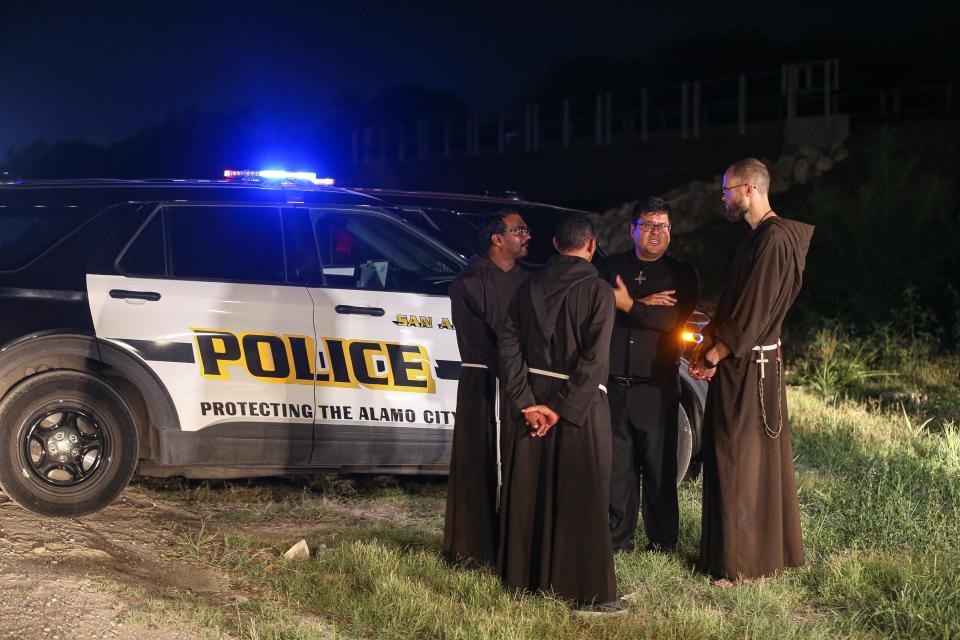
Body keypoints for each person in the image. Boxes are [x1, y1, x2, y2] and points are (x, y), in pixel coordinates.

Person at [688, 158, 813, 585]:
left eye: (727, 189)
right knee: (734, 457)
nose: (723, 197)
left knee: (740, 459)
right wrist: (711, 345)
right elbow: (738, 304)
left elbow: (755, 310)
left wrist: (717, 353)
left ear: (749, 189)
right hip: (746, 363)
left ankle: (741, 565)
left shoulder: (774, 241)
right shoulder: (759, 238)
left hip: (752, 366)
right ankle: (736, 556)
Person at [496, 216, 623, 611]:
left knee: (530, 491)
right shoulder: (599, 292)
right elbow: (594, 360)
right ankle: (586, 590)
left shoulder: (526, 285)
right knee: (582, 492)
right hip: (576, 408)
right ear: (591, 246)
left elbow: (508, 344)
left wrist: (525, 402)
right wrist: (560, 408)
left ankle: (523, 580)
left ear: (554, 243)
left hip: (531, 402)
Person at [597, 197, 699, 553]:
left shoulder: (681, 274)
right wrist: (643, 306)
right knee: (617, 470)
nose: (656, 232)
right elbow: (594, 307)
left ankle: (662, 542)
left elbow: (671, 321)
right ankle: (616, 539)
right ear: (632, 230)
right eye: (648, 225)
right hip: (614, 384)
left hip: (656, 386)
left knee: (659, 468)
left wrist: (627, 305)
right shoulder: (610, 268)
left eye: (663, 226)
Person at [442, 209, 532, 567]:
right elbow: (482, 341)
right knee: (479, 463)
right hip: (484, 383)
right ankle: (473, 548)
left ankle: (515, 544)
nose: (527, 236)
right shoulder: (468, 283)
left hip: (521, 384)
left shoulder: (530, 281)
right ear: (497, 238)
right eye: (519, 230)